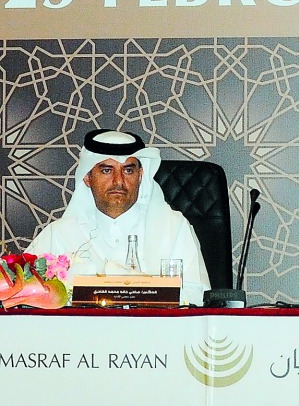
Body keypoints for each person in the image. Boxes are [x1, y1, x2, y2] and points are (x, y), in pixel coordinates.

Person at [27, 129, 211, 304]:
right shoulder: (59, 235)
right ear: (87, 178)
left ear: (140, 176)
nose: (118, 181)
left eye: (128, 170)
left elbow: (197, 296)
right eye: (107, 170)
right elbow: (25, 295)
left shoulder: (173, 228)